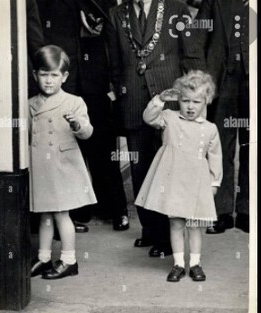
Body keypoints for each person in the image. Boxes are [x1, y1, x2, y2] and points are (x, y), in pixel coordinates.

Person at [106, 0, 205, 257]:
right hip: (133, 103)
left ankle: (166, 237)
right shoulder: (117, 14)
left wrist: (195, 98)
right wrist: (121, 94)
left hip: (169, 101)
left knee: (167, 171)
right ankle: (150, 229)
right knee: (141, 171)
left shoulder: (177, 10)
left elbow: (192, 56)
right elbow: (115, 64)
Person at [35, 0, 129, 232]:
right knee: (64, 146)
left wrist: (115, 80)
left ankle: (116, 208)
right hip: (61, 77)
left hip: (94, 76)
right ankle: (76, 210)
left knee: (103, 144)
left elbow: (110, 27)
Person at [135, 70, 222, 281]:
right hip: (173, 181)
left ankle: (195, 263)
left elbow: (215, 157)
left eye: (196, 101)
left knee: (194, 225)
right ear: (178, 100)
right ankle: (177, 264)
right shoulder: (169, 118)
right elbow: (148, 117)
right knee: (175, 224)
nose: (190, 106)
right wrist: (160, 99)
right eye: (185, 101)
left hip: (197, 184)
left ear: (206, 102)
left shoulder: (210, 129)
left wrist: (214, 184)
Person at [30, 45, 97, 279]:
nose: (49, 81)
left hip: (63, 165)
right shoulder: (29, 104)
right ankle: (44, 257)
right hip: (41, 166)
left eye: (54, 75)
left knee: (61, 214)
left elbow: (87, 133)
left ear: (64, 77)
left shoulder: (74, 102)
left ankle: (69, 260)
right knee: (45, 213)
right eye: (44, 74)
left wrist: (77, 124)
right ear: (35, 75)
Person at [196, 0, 249, 233]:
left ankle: (248, 210)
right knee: (220, 146)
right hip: (223, 79)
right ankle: (221, 211)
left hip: (253, 80)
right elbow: (197, 35)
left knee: (253, 145)